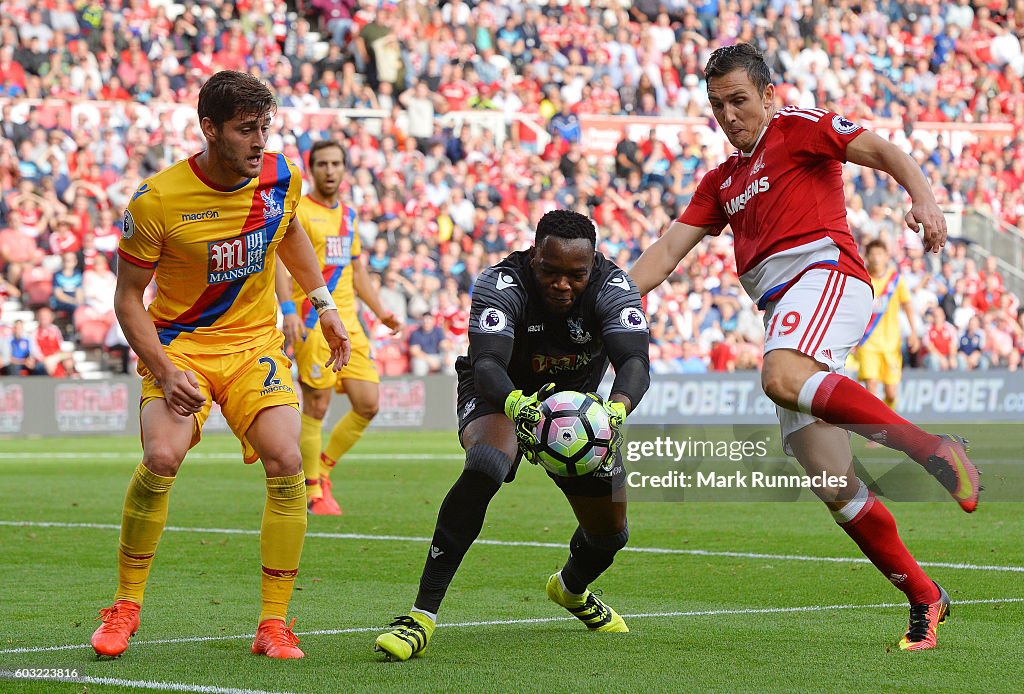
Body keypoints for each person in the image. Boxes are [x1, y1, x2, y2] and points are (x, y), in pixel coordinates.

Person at [629, 44, 979, 652]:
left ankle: (935, 450)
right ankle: (926, 597)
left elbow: (882, 149)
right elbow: (662, 255)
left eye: (739, 99)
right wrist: (596, 303)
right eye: (717, 105)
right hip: (785, 311)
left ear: (768, 95)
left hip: (826, 277)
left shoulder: (799, 127)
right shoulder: (721, 181)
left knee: (781, 374)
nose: (729, 114)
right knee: (832, 481)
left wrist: (923, 196)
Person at [90, 70, 351, 661]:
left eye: (265, 127)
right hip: (179, 347)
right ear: (209, 129)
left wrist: (324, 304)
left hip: (253, 347)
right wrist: (161, 365)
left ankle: (274, 624)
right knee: (161, 456)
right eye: (244, 129)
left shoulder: (280, 175)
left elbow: (291, 238)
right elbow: (128, 298)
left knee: (287, 459)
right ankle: (126, 605)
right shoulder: (156, 200)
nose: (258, 141)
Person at [373, 209, 651, 661]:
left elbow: (635, 360)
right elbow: (487, 364)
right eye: (550, 271)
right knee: (487, 462)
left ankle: (571, 590)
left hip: (575, 414)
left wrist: (617, 406)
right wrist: (518, 406)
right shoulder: (501, 284)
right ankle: (420, 616)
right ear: (533, 254)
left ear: (593, 264)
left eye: (575, 275)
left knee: (610, 535)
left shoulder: (614, 287)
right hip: (500, 394)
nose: (562, 284)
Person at [277, 139, 401, 516]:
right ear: (311, 169)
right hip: (314, 321)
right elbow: (282, 264)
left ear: (345, 169)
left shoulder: (348, 215)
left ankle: (323, 469)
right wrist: (289, 310)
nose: (330, 171)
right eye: (323, 164)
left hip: (351, 322)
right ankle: (313, 490)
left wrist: (380, 311)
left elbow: (356, 270)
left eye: (336, 164)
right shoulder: (298, 212)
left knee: (368, 403)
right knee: (317, 405)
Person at [854, 239, 920, 413]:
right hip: (867, 343)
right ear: (867, 257)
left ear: (886, 257)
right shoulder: (863, 279)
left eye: (879, 254)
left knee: (891, 394)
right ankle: (873, 433)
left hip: (891, 344)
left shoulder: (895, 280)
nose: (876, 258)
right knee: (871, 389)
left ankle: (885, 421)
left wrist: (913, 333)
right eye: (873, 254)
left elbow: (907, 305)